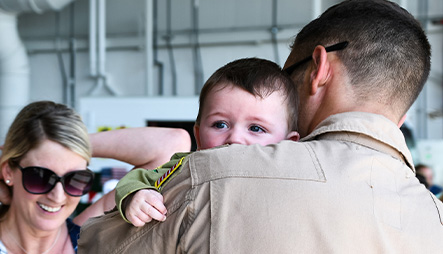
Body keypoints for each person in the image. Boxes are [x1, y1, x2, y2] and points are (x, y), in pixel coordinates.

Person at [76, 0, 443, 252]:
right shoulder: (435, 219)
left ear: (319, 70)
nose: (235, 139)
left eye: (288, 78)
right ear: (401, 117)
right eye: (220, 123)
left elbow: (94, 245)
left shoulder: (211, 177)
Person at [115, 57, 300, 226]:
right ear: (198, 135)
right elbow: (137, 179)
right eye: (220, 124)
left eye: (256, 128)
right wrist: (136, 196)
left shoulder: (294, 181)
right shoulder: (183, 165)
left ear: (289, 143)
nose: (234, 138)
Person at [0, 101, 190, 253]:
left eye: (74, 179)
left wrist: (67, 146)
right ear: (8, 170)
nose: (58, 196)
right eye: (40, 177)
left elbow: (173, 144)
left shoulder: (86, 238)